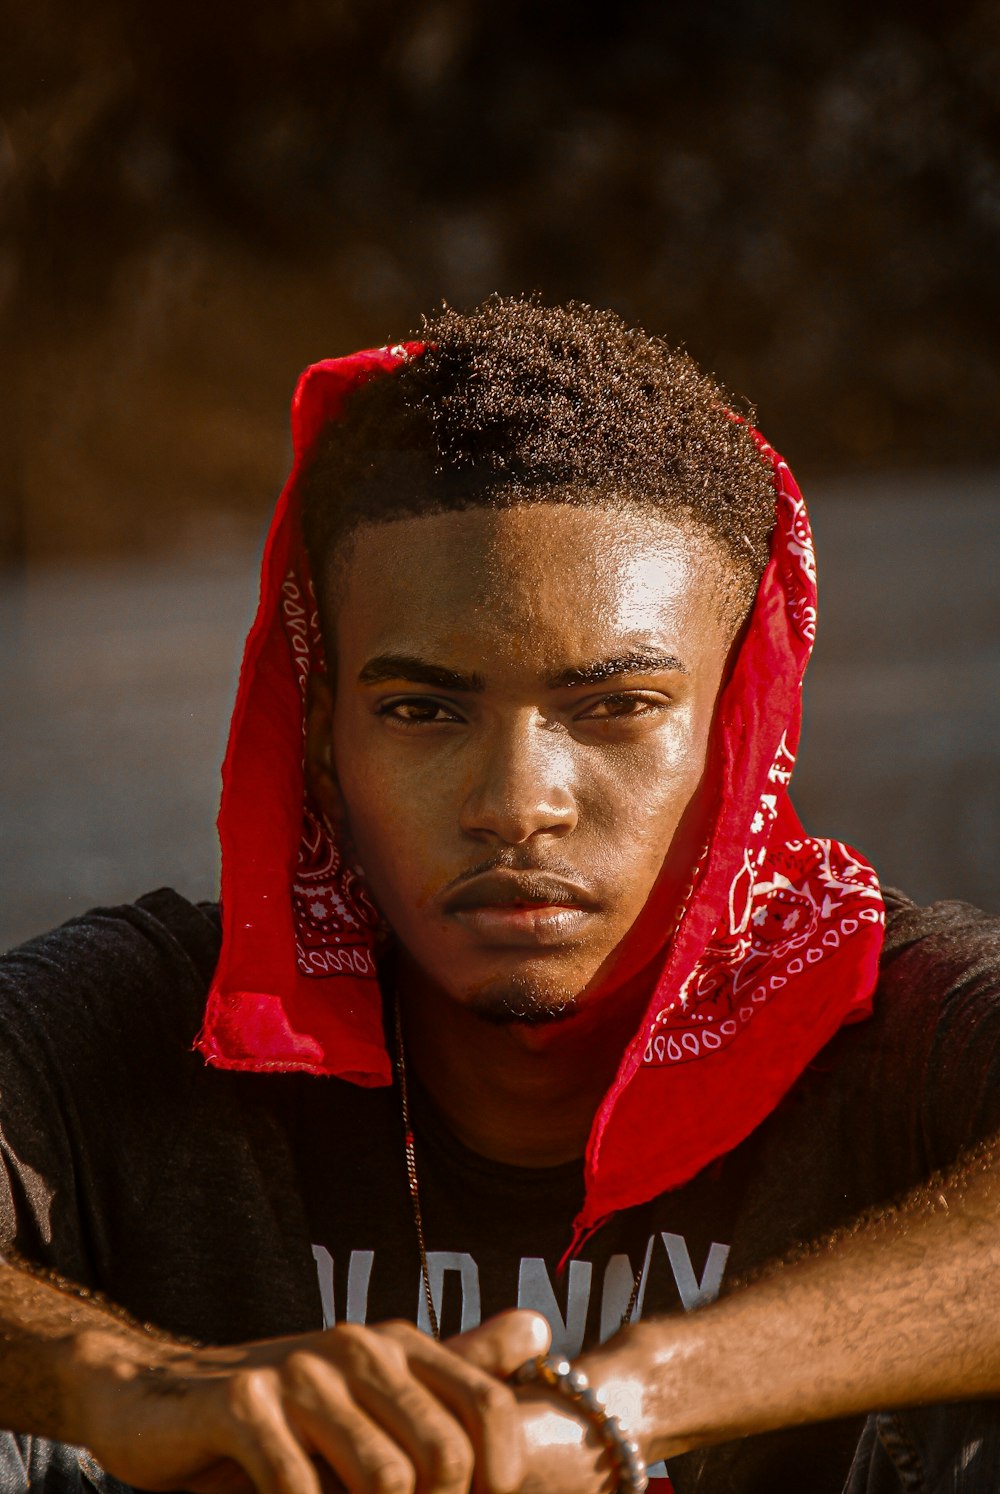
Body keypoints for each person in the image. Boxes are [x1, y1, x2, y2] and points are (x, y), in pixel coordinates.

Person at [1, 296, 999, 1494]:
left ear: (737, 737)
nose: (516, 802)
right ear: (323, 742)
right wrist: (129, 1385)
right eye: (422, 711)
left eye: (614, 710)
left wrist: (608, 1407)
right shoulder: (139, 1024)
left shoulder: (880, 1010)